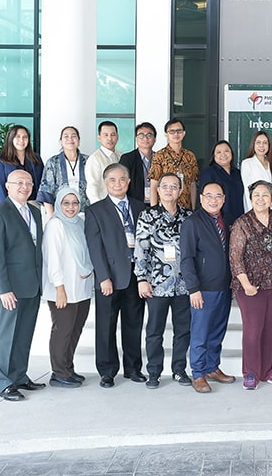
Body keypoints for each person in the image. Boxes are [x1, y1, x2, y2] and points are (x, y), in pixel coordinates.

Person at [0, 169, 45, 401]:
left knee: (24, 334)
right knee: (6, 335)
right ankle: (4, 382)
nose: (24, 187)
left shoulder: (35, 212)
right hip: (10, 288)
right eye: (19, 182)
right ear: (7, 186)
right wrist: (3, 288)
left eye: (28, 183)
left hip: (32, 284)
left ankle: (19, 376)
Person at [84, 163, 147, 388]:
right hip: (109, 277)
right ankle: (107, 371)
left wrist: (145, 276)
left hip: (135, 275)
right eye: (112, 180)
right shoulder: (95, 210)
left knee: (133, 324)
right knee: (106, 325)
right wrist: (103, 277)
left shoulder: (141, 208)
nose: (118, 184)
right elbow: (94, 247)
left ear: (129, 182)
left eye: (122, 179)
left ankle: (133, 368)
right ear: (105, 183)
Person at [134, 173, 192, 389]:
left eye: (174, 186)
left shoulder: (188, 216)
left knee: (183, 330)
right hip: (157, 284)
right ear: (158, 190)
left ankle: (179, 370)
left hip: (183, 284)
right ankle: (154, 372)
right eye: (165, 186)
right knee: (154, 330)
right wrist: (141, 279)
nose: (169, 190)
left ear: (180, 191)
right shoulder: (147, 216)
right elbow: (141, 250)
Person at [229, 181, 272, 390]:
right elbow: (235, 256)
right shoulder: (242, 223)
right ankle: (251, 373)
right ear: (250, 198)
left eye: (265, 195)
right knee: (253, 330)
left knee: (270, 330)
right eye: (256, 195)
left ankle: (266, 371)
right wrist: (245, 284)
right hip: (250, 285)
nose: (261, 199)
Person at [180, 181, 236, 393]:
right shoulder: (192, 223)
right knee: (200, 333)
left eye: (218, 196)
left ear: (223, 199)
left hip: (224, 285)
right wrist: (193, 289)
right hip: (202, 289)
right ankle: (198, 373)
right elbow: (186, 259)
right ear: (201, 198)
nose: (214, 200)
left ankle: (212, 367)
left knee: (217, 331)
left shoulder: (228, 220)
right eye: (209, 196)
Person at [41, 187, 93, 389]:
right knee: (62, 331)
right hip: (62, 289)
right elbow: (52, 260)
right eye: (66, 203)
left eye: (74, 203)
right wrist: (59, 289)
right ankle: (58, 373)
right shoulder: (55, 225)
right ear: (58, 205)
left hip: (81, 287)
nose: (71, 207)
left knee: (74, 330)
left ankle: (68, 368)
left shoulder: (80, 223)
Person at [148, 118, 199, 211]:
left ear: (184, 133)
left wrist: (193, 208)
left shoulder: (190, 156)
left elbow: (192, 184)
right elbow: (154, 185)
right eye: (172, 131)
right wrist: (154, 210)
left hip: (185, 208)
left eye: (179, 131)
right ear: (166, 134)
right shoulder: (159, 156)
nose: (176, 134)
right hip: (164, 208)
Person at [38, 126, 90, 216]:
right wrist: (52, 217)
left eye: (73, 136)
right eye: (66, 136)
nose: (70, 139)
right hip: (60, 213)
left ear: (79, 140)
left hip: (85, 212)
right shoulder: (53, 162)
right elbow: (46, 191)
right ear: (61, 141)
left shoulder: (88, 161)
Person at [199, 140, 244, 226]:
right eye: (219, 152)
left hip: (239, 219)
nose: (223, 154)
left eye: (226, 151)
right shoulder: (209, 173)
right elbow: (204, 200)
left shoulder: (238, 173)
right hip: (219, 221)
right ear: (214, 155)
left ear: (231, 153)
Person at [0, 124, 43, 203]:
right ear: (11, 139)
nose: (21, 140)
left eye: (25, 137)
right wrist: (5, 207)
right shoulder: (2, 159)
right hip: (12, 205)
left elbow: (42, 183)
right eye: (18, 136)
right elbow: (1, 186)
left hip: (33, 204)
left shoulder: (36, 158)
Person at [119, 122, 156, 206]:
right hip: (134, 204)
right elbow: (122, 183)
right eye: (141, 135)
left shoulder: (160, 158)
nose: (145, 138)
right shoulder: (127, 158)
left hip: (156, 204)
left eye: (149, 135)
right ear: (136, 138)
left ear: (155, 139)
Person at [84, 121, 121, 205]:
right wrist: (98, 208)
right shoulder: (94, 159)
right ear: (99, 137)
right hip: (104, 206)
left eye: (113, 135)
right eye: (105, 135)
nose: (109, 138)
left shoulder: (121, 156)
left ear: (117, 137)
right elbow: (92, 186)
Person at [240, 131, 272, 212]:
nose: (261, 145)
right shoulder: (247, 163)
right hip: (255, 208)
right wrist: (251, 212)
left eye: (265, 143)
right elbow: (247, 190)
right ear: (253, 144)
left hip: (271, 208)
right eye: (258, 142)